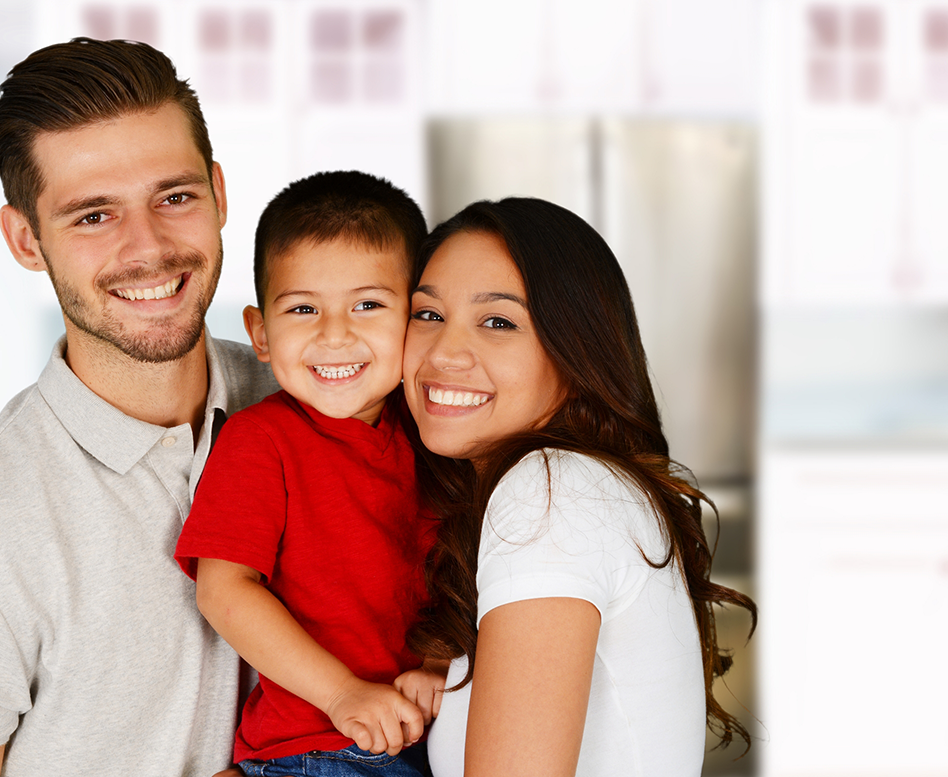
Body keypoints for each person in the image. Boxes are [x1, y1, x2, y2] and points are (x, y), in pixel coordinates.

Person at [0, 38, 279, 776]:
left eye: (174, 197)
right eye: (92, 216)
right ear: (26, 241)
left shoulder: (320, 402)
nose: (150, 248)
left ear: (220, 192)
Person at [401, 197, 758, 777]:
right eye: (428, 314)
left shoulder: (550, 492)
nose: (444, 353)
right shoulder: (586, 487)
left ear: (576, 352)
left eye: (499, 322)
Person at [175, 171, 442, 777]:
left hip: (431, 739)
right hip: (316, 749)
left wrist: (439, 661)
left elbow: (460, 570)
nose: (335, 333)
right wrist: (341, 694)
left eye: (368, 304)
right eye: (302, 309)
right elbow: (224, 590)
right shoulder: (260, 440)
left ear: (419, 317)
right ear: (261, 334)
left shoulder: (436, 434)